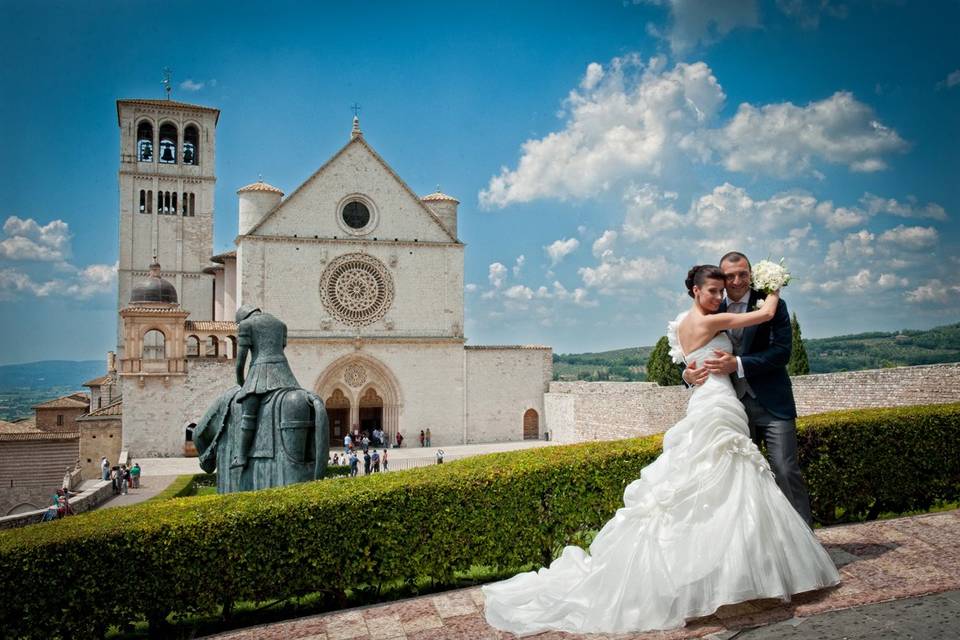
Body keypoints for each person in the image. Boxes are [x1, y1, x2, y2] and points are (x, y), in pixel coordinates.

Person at [483, 265, 839, 635]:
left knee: (722, 484)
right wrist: (774, 283)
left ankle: (734, 570)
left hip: (713, 401)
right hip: (717, 404)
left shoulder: (684, 323)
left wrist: (689, 372)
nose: (719, 297)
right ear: (695, 291)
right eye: (712, 291)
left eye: (721, 291)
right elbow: (764, 314)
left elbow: (691, 360)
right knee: (726, 481)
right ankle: (731, 574)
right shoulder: (708, 322)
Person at [683, 252, 812, 525]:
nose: (737, 280)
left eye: (743, 273)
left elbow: (782, 352)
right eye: (730, 276)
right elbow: (689, 350)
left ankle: (805, 544)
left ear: (751, 274)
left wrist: (738, 363)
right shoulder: (711, 307)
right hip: (730, 408)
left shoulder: (774, 305)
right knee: (742, 480)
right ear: (721, 277)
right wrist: (687, 374)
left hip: (772, 403)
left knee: (785, 470)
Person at [232, 304, 300, 469]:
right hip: (285, 372)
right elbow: (280, 349)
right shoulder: (280, 324)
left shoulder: (246, 325)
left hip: (259, 373)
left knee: (248, 413)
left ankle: (241, 456)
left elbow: (241, 360)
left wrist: (241, 381)